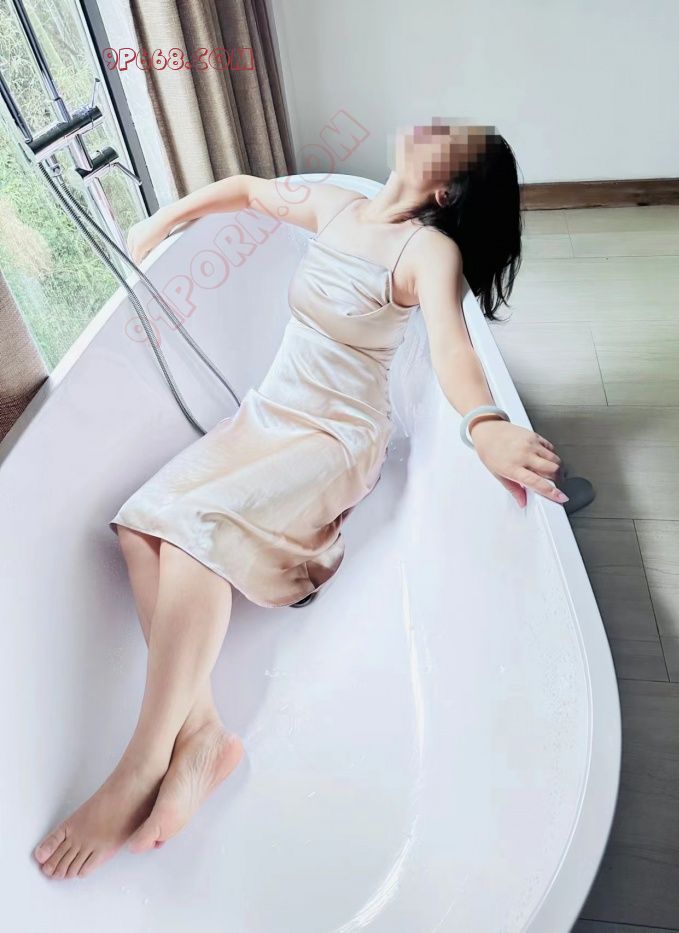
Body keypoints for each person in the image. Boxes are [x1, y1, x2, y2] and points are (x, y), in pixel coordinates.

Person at [33, 119, 567, 880]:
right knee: (138, 525)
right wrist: (161, 220)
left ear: (447, 190)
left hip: (335, 437)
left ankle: (142, 762)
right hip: (269, 414)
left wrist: (484, 425)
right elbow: (248, 190)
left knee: (193, 533)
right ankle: (204, 734)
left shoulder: (427, 252)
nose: (429, 125)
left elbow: (453, 349)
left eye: (449, 139)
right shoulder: (335, 205)